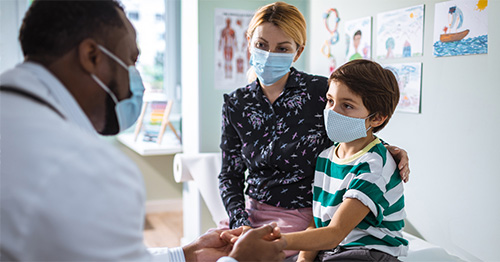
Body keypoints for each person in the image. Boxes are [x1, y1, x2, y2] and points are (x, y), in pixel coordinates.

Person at [0, 1, 285, 261]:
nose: (136, 80)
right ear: (91, 56)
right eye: (131, 61)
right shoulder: (88, 169)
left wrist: (184, 255)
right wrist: (238, 261)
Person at [218, 1, 410, 258]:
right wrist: (240, 222)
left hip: (308, 215)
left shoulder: (320, 92)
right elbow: (229, 176)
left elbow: (354, 127)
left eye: (282, 48)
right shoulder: (236, 104)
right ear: (249, 41)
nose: (269, 54)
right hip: (253, 213)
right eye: (262, 45)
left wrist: (388, 151)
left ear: (297, 52)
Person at [281, 59, 408, 261]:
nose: (332, 112)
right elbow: (319, 221)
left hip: (368, 253)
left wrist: (278, 241)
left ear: (377, 118)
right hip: (332, 250)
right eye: (330, 101)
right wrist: (304, 259)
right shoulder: (326, 157)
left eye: (347, 105)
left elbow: (335, 232)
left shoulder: (374, 165)